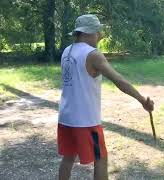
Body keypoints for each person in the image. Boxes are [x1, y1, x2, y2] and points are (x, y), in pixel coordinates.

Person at [57, 14, 154, 180]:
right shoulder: (93, 54)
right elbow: (118, 80)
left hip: (66, 118)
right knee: (100, 158)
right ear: (89, 33)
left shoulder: (67, 51)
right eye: (98, 33)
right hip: (86, 121)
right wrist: (142, 100)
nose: (99, 36)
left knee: (68, 157)